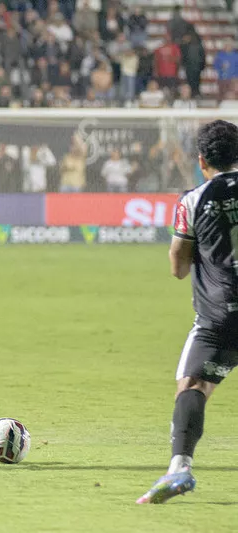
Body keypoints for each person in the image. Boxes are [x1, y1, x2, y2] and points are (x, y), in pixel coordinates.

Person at [137, 120, 238, 504]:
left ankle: (180, 468)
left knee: (194, 386)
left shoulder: (194, 200)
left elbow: (178, 269)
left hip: (220, 317)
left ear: (201, 161)